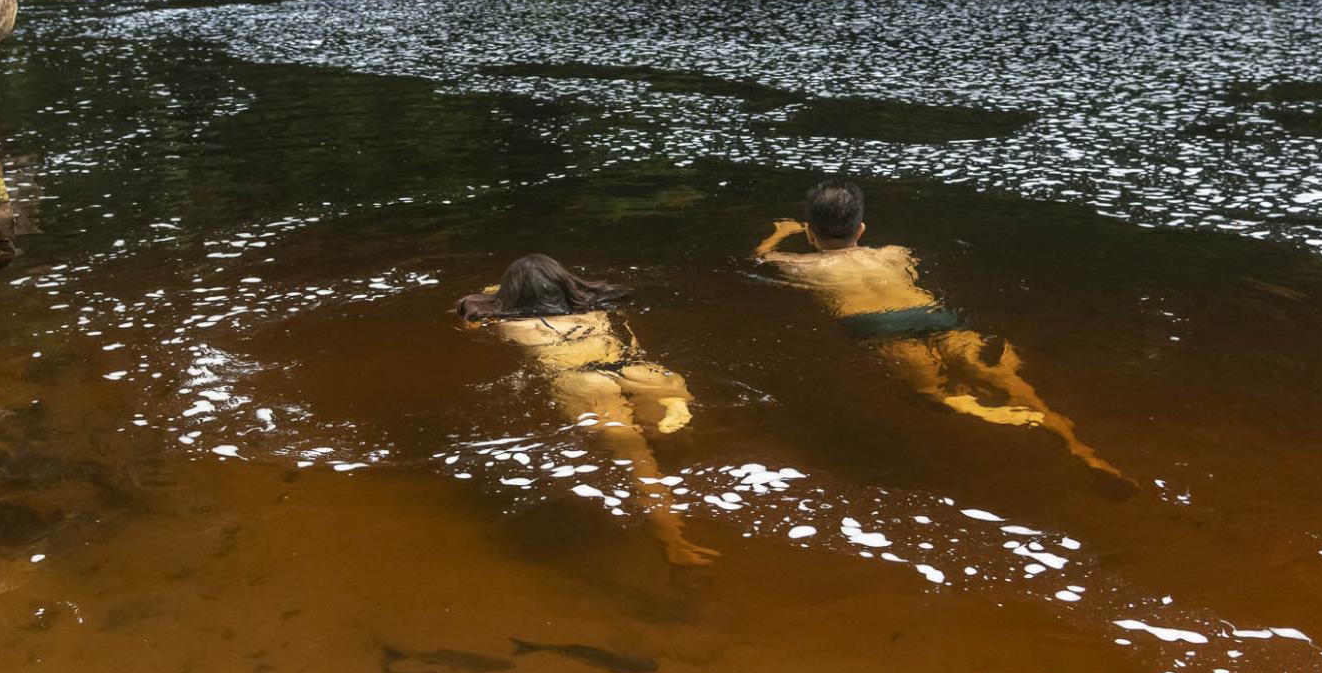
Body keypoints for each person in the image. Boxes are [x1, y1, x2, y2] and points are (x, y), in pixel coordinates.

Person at [754, 180, 1127, 483]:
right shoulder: (894, 253)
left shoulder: (799, 266)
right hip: (939, 316)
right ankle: (1076, 444)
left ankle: (969, 405)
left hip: (879, 326)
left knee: (932, 389)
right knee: (1017, 385)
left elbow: (759, 259)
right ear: (862, 229)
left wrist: (777, 234)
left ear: (809, 232)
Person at [458, 255, 718, 566]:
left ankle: (676, 543)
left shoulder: (503, 321)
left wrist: (498, 296)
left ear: (510, 294)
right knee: (672, 431)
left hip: (583, 381)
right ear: (566, 284)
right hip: (638, 370)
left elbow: (473, 317)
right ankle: (672, 425)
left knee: (640, 463)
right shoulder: (596, 308)